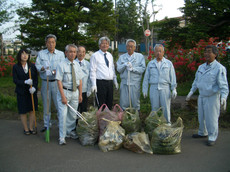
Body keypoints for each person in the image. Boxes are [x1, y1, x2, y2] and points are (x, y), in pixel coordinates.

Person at [186, 45, 229, 146]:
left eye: (209, 52)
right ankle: (202, 132)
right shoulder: (201, 67)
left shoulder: (219, 68)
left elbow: (223, 85)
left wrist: (223, 97)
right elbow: (196, 81)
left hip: (212, 97)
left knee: (212, 118)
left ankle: (212, 136)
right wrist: (191, 92)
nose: (207, 54)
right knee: (201, 116)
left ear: (215, 54)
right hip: (202, 95)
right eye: (205, 52)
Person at [35, 34, 65, 132]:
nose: (51, 44)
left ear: (55, 43)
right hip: (45, 82)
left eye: (53, 42)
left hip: (57, 83)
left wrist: (57, 71)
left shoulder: (60, 54)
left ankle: (62, 124)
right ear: (46, 43)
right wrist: (42, 68)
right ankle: (46, 124)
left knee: (59, 104)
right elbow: (37, 65)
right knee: (46, 104)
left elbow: (63, 66)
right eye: (49, 42)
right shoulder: (41, 54)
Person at [142, 44, 177, 125]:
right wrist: (144, 89)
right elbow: (146, 78)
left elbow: (173, 77)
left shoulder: (168, 63)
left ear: (163, 52)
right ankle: (155, 124)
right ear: (154, 52)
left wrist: (174, 89)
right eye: (157, 51)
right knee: (154, 108)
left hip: (165, 88)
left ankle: (167, 123)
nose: (158, 53)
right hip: (153, 88)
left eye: (160, 51)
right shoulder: (150, 64)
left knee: (166, 107)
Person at [56, 44, 83, 145]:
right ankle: (62, 137)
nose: (72, 54)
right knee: (63, 115)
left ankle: (70, 131)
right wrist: (63, 96)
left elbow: (80, 80)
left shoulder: (76, 64)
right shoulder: (61, 65)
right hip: (65, 92)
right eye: (70, 52)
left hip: (75, 93)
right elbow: (58, 81)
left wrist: (80, 94)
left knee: (72, 115)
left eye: (74, 52)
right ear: (66, 53)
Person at [13, 49, 38, 135]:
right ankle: (26, 128)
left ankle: (31, 127)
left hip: (31, 92)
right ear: (19, 55)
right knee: (23, 111)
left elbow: (36, 79)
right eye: (23, 54)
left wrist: (34, 87)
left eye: (26, 54)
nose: (25, 56)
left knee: (32, 110)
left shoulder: (32, 66)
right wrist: (24, 82)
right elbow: (15, 80)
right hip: (21, 92)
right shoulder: (16, 67)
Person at [116, 39, 146, 110]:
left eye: (132, 46)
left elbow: (142, 69)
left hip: (134, 83)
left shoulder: (140, 56)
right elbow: (118, 69)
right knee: (123, 102)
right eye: (128, 46)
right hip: (124, 83)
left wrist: (133, 69)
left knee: (135, 102)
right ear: (126, 47)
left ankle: (135, 117)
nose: (130, 48)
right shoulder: (122, 57)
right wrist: (124, 65)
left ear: (135, 47)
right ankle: (124, 118)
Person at [90, 36, 118, 109]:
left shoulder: (110, 55)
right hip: (100, 83)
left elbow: (112, 69)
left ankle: (108, 118)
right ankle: (101, 119)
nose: (105, 45)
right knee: (101, 104)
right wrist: (93, 84)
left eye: (106, 43)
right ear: (99, 45)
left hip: (109, 83)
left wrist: (115, 81)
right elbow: (92, 70)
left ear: (108, 45)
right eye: (103, 43)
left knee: (109, 102)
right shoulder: (95, 55)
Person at [75, 46, 91, 113]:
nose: (81, 54)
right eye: (79, 51)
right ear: (76, 53)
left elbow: (90, 78)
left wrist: (89, 89)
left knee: (84, 109)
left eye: (83, 52)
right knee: (75, 110)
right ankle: (74, 123)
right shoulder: (73, 63)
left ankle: (82, 123)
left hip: (84, 90)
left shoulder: (88, 64)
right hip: (75, 91)